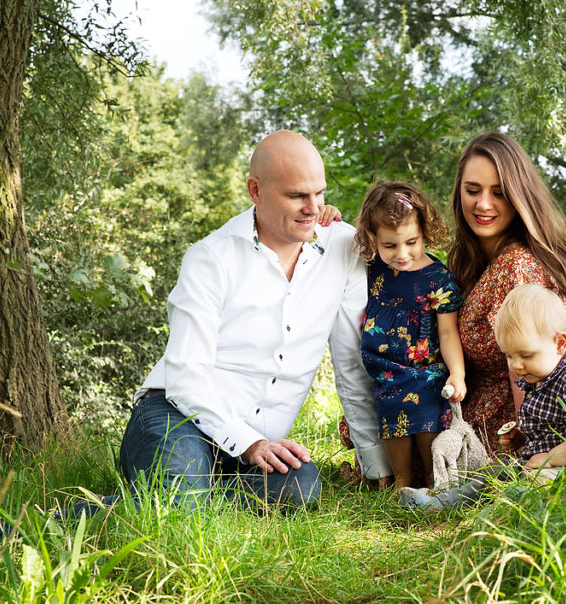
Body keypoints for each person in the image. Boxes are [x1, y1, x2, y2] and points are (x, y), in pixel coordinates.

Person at [120, 130, 393, 512]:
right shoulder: (210, 258)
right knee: (177, 503)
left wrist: (375, 462)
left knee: (301, 487)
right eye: (297, 195)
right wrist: (249, 443)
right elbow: (185, 380)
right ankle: (29, 528)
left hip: (258, 450)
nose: (313, 208)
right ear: (256, 190)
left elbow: (351, 363)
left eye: (319, 193)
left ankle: (184, 497)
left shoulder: (343, 249)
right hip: (176, 416)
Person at [399, 284, 566, 510]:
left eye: (526, 355)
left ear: (560, 343)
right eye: (509, 356)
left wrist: (549, 459)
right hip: (545, 463)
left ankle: (499, 516)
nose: (517, 365)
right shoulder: (541, 374)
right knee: (494, 472)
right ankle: (439, 504)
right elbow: (556, 426)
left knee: (534, 484)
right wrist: (524, 438)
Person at [448, 132, 566, 453]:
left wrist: (529, 445)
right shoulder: (471, 261)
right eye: (473, 190)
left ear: (519, 196)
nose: (483, 204)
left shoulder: (517, 266)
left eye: (499, 193)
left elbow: (528, 366)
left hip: (508, 420)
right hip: (470, 402)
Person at [353, 181, 467, 490]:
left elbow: (447, 332)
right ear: (373, 238)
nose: (402, 254)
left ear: (425, 231)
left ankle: (434, 481)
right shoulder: (372, 269)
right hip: (387, 370)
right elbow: (326, 243)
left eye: (411, 242)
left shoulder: (438, 279)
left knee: (429, 408)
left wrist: (456, 372)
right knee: (393, 416)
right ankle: (402, 482)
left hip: (427, 370)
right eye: (389, 245)